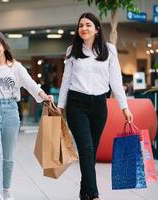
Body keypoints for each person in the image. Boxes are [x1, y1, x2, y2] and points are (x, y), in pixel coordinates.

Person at [56, 13, 133, 200]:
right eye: (80, 25)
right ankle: (94, 194)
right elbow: (66, 80)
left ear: (97, 29)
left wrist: (125, 107)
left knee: (90, 151)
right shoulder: (71, 50)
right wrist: (60, 106)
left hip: (99, 104)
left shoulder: (110, 50)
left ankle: (84, 192)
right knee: (87, 148)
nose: (83, 28)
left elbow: (116, 80)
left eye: (88, 25)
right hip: (76, 104)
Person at [0, 32, 53, 200]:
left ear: (4, 46)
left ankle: (6, 189)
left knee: (8, 157)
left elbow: (30, 84)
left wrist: (44, 96)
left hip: (10, 111)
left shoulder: (15, 67)